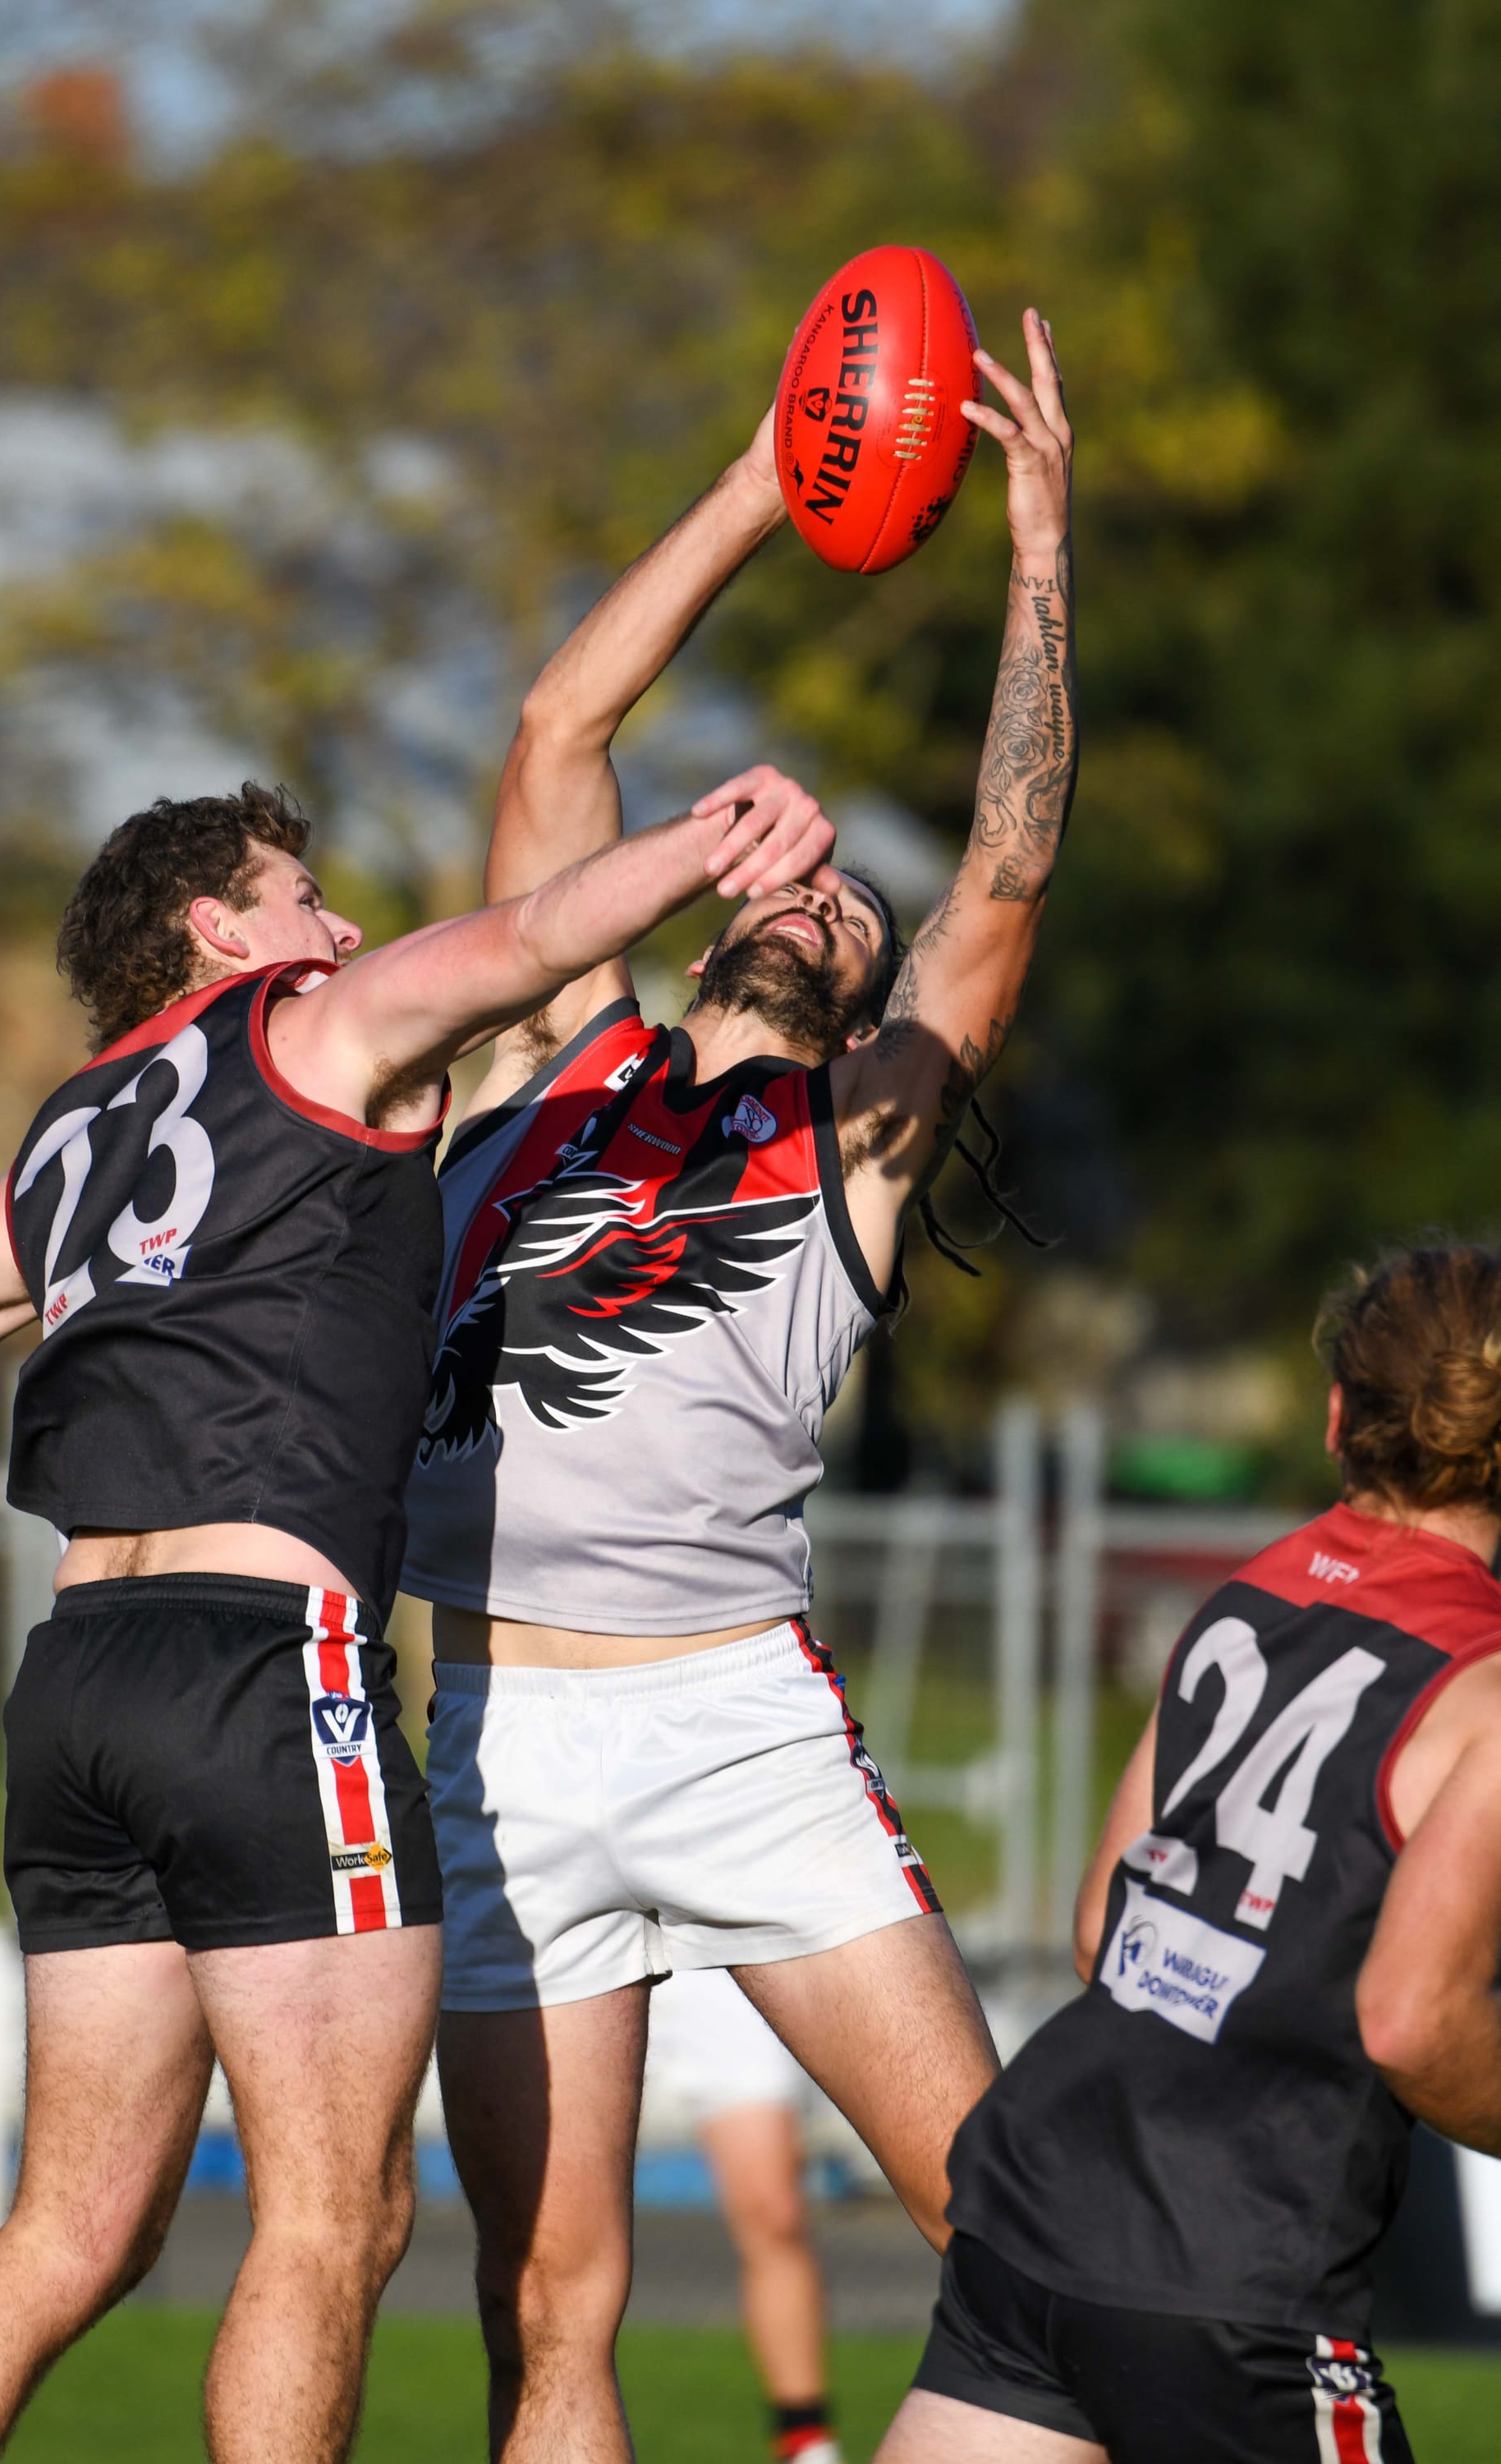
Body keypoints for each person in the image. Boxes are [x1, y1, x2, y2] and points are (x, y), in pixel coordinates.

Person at [0, 773, 833, 2464]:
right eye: (302, 894)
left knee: (70, 2233)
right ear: (216, 928)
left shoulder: (74, 1132)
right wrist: (709, 849)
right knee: (332, 2224)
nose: (336, 928)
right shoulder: (308, 1032)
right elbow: (537, 936)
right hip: (262, 1673)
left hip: (77, 1684)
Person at [400, 309, 1076, 2459]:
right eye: (798, 884)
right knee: (550, 2320)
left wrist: (1038, 537)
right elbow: (560, 720)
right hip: (495, 1730)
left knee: (1020, 2237)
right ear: (712, 916)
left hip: (735, 1723)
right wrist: (775, 476)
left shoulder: (853, 1146)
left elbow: (1011, 868)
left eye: (852, 921)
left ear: (864, 999)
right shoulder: (540, 1046)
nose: (823, 909)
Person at [878, 1239, 1501, 2464]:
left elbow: (1112, 1927)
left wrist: (1498, 1957)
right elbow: (1412, 2023)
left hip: (1035, 2218)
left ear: (1341, 1415)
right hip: (1233, 2274)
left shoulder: (1249, 1598)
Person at [645, 1966, 842, 2464]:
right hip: (553, 1914)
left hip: (709, 1947)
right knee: (552, 2243)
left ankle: (806, 2446)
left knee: (774, 2211)